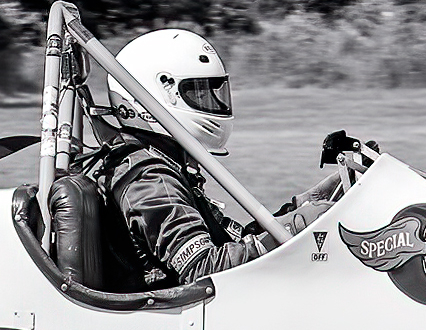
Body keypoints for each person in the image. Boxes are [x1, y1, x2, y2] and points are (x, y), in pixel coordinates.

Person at [83, 28, 341, 286]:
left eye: (212, 92)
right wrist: (294, 226)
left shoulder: (167, 163)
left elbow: (230, 239)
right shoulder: (151, 180)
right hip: (178, 317)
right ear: (166, 91)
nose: (211, 101)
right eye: (198, 92)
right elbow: (202, 269)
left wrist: (300, 207)